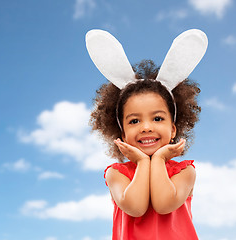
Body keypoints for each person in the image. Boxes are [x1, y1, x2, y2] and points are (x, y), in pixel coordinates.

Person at [86, 29, 207, 240]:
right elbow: (135, 207)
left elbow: (163, 204)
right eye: (134, 121)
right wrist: (142, 163)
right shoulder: (116, 174)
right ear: (122, 134)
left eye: (157, 118)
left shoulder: (184, 172)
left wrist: (158, 159)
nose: (146, 127)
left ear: (173, 130)